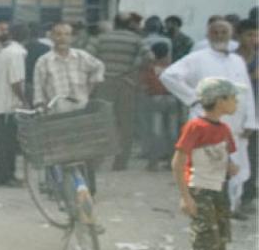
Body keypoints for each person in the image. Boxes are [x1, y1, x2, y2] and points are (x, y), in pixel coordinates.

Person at [161, 19, 257, 217]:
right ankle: (207, 209)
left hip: (236, 125)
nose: (220, 35)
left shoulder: (237, 60)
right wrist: (194, 100)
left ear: (231, 36)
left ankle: (232, 207)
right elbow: (168, 76)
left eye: (224, 32)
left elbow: (246, 93)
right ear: (209, 35)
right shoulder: (197, 58)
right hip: (208, 124)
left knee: (237, 167)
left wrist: (250, 121)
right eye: (216, 32)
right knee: (208, 168)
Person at [171, 78, 241, 250]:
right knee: (207, 243)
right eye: (232, 98)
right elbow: (178, 163)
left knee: (219, 242)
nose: (236, 102)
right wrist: (186, 196)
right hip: (201, 191)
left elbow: (225, 158)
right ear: (220, 100)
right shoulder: (195, 127)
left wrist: (231, 167)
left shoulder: (223, 129)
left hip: (218, 191)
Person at [33, 22, 106, 192]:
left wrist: (91, 87)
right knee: (56, 152)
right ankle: (56, 188)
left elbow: (99, 67)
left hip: (80, 111)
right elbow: (38, 89)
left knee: (85, 151)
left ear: (72, 37)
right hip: (56, 113)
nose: (62, 38)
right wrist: (40, 107)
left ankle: (88, 189)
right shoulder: (43, 61)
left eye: (66, 34)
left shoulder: (82, 56)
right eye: (58, 34)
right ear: (52, 37)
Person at [88, 12, 149, 170]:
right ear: (130, 24)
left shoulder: (101, 38)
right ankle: (120, 163)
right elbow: (149, 57)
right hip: (126, 83)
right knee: (125, 124)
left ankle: (96, 162)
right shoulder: (136, 39)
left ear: (114, 23)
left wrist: (99, 72)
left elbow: (88, 56)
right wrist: (132, 69)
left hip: (104, 83)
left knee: (101, 122)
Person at [0, 23, 29, 187]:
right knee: (9, 145)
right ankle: (7, 177)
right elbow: (16, 82)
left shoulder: (5, 52)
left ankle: (6, 175)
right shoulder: (16, 54)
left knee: (6, 144)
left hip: (1, 104)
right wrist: (24, 101)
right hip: (9, 106)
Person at [140, 42, 180, 171]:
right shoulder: (173, 67)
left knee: (156, 132)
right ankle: (171, 162)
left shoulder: (150, 68)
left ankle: (153, 163)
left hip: (155, 99)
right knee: (172, 132)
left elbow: (144, 84)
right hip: (172, 99)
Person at [235, 18, 258, 210]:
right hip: (233, 113)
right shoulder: (232, 58)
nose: (254, 39)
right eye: (249, 34)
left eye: (256, 35)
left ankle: (247, 197)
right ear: (239, 36)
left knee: (251, 155)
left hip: (255, 114)